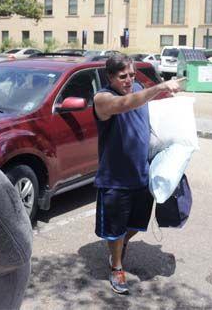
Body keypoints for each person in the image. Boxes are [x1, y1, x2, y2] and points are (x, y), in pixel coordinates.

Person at [92, 54, 181, 294]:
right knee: (115, 228)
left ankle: (119, 245)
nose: (129, 80)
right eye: (123, 77)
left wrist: (165, 94)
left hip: (142, 172)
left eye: (132, 75)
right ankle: (116, 265)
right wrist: (160, 86)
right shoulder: (103, 99)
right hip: (115, 178)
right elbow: (127, 104)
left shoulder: (140, 87)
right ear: (110, 77)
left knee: (136, 224)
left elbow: (142, 101)